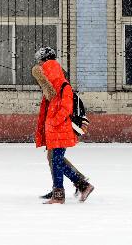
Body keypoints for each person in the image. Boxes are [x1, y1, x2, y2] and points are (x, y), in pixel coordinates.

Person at [31, 46, 94, 204]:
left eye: (41, 63)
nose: (40, 67)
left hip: (60, 128)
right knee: (54, 158)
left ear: (46, 63)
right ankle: (72, 186)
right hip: (55, 129)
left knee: (56, 159)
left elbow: (65, 108)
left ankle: (62, 193)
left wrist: (53, 122)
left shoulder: (62, 85)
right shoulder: (51, 86)